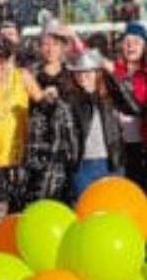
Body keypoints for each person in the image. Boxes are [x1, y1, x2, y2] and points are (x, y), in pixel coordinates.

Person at [0, 36, 54, 227]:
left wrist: (50, 96)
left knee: (21, 212)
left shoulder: (22, 77)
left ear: (11, 59)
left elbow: (43, 104)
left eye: (2, 62)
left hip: (20, 159)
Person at [67, 48, 141, 197]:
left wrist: (113, 75)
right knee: (86, 211)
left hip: (111, 162)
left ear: (97, 73)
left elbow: (133, 107)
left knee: (113, 208)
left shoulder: (110, 97)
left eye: (88, 72)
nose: (83, 77)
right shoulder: (70, 100)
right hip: (82, 166)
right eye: (78, 73)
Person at [25, 18, 79, 202]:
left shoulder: (71, 75)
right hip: (38, 148)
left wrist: (74, 36)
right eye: (45, 44)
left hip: (65, 149)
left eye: (55, 44)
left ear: (63, 47)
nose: (50, 49)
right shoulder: (31, 74)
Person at [111, 22, 147, 190]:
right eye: (127, 41)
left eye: (136, 41)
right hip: (120, 145)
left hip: (143, 145)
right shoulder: (114, 70)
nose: (131, 45)